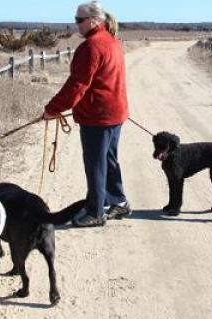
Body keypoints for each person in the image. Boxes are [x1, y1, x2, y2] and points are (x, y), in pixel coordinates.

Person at [43, 1, 131, 227]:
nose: (76, 24)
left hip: (98, 117)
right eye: (76, 20)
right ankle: (119, 201)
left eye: (79, 20)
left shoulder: (91, 46)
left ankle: (95, 212)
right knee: (108, 159)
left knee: (96, 164)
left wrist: (53, 109)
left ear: (94, 21)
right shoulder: (111, 41)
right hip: (115, 113)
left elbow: (77, 86)